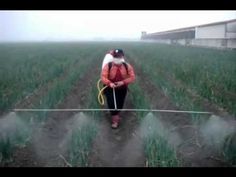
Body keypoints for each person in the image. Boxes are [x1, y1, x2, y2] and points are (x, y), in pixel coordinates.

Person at [101, 49, 135, 129]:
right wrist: (110, 83)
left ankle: (117, 114)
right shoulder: (108, 66)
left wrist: (123, 82)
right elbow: (103, 77)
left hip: (122, 88)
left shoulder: (127, 66)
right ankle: (115, 120)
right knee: (112, 104)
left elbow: (132, 77)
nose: (117, 59)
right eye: (116, 57)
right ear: (113, 57)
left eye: (119, 57)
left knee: (119, 104)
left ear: (123, 57)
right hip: (110, 88)